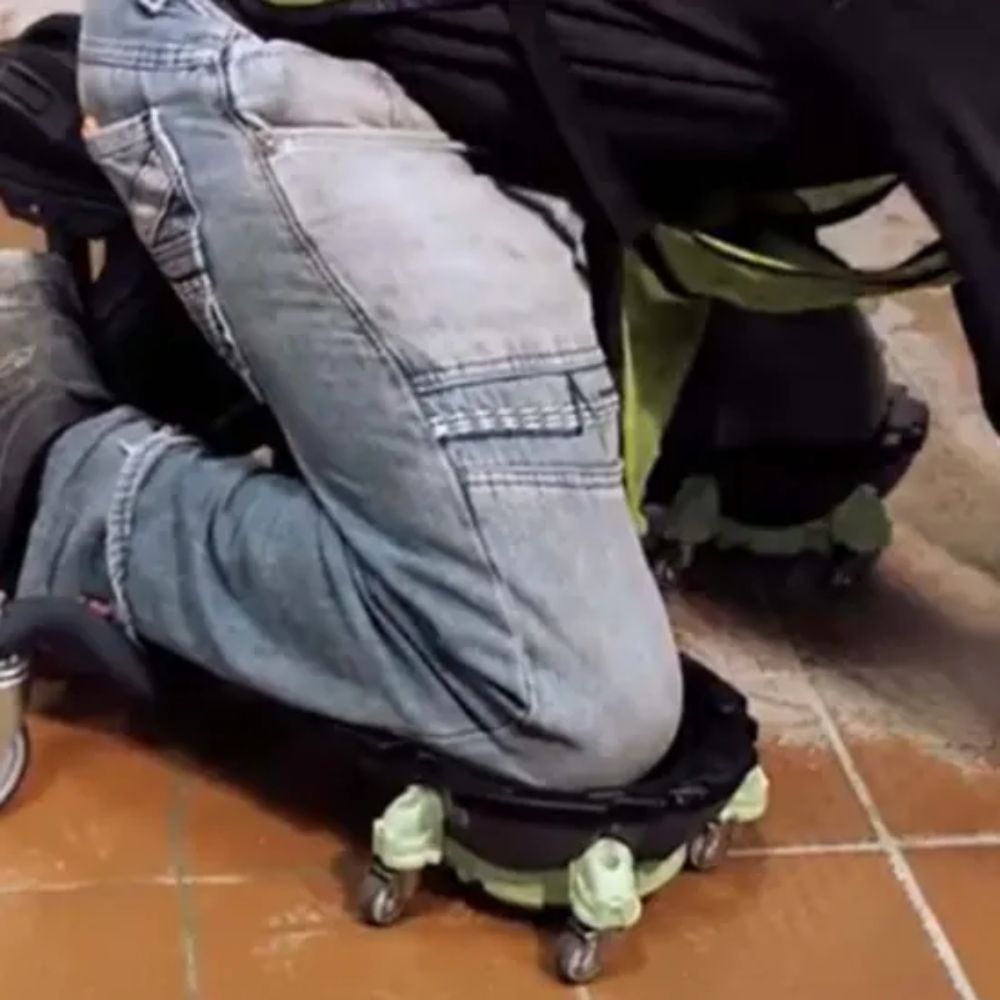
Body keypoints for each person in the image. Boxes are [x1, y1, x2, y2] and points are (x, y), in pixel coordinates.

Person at [0, 0, 993, 791]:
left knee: (798, 439)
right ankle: (55, 461)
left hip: (544, 108)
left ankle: (215, 306)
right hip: (302, 74)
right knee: (561, 696)